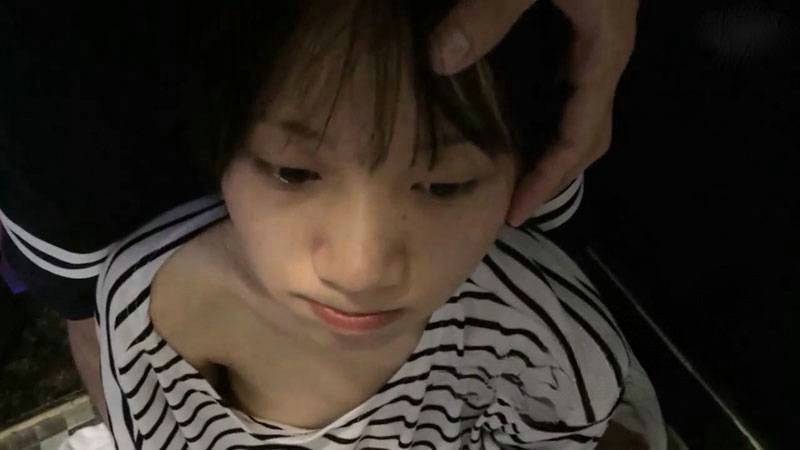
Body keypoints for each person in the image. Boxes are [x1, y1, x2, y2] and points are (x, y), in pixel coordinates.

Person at [0, 0, 645, 447]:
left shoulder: (546, 337)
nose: (360, 269)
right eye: (293, 172)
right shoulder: (143, 311)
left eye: (443, 185)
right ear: (214, 149)